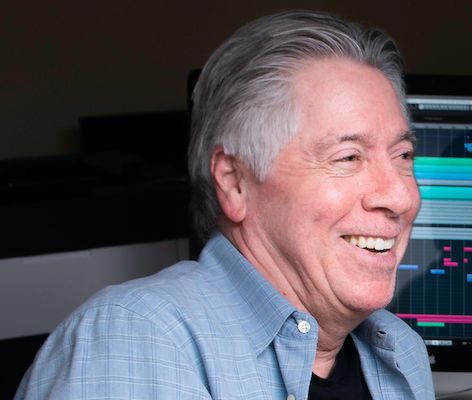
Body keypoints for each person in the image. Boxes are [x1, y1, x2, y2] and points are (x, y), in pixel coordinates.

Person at [16, 10, 434, 399]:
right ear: (234, 183)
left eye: (402, 157)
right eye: (348, 158)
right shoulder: (137, 339)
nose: (399, 196)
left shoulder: (400, 352)